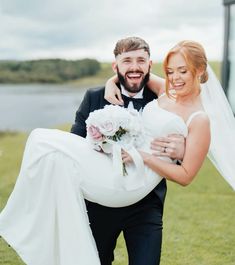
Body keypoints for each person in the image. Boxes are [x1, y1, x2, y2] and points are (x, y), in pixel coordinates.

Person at [0, 39, 235, 265]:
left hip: (138, 183)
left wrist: (145, 156)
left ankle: (12, 222)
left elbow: (186, 175)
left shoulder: (201, 118)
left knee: (41, 140)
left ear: (200, 70)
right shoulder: (166, 90)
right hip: (112, 178)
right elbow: (135, 72)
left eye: (182, 71)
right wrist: (112, 82)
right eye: (170, 71)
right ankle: (28, 225)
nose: (174, 77)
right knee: (44, 146)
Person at [70, 36, 185, 265]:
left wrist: (180, 152)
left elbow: (181, 148)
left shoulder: (166, 102)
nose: (134, 67)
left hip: (146, 206)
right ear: (116, 66)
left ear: (150, 65)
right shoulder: (94, 97)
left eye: (141, 60)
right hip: (98, 204)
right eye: (127, 61)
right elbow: (75, 146)